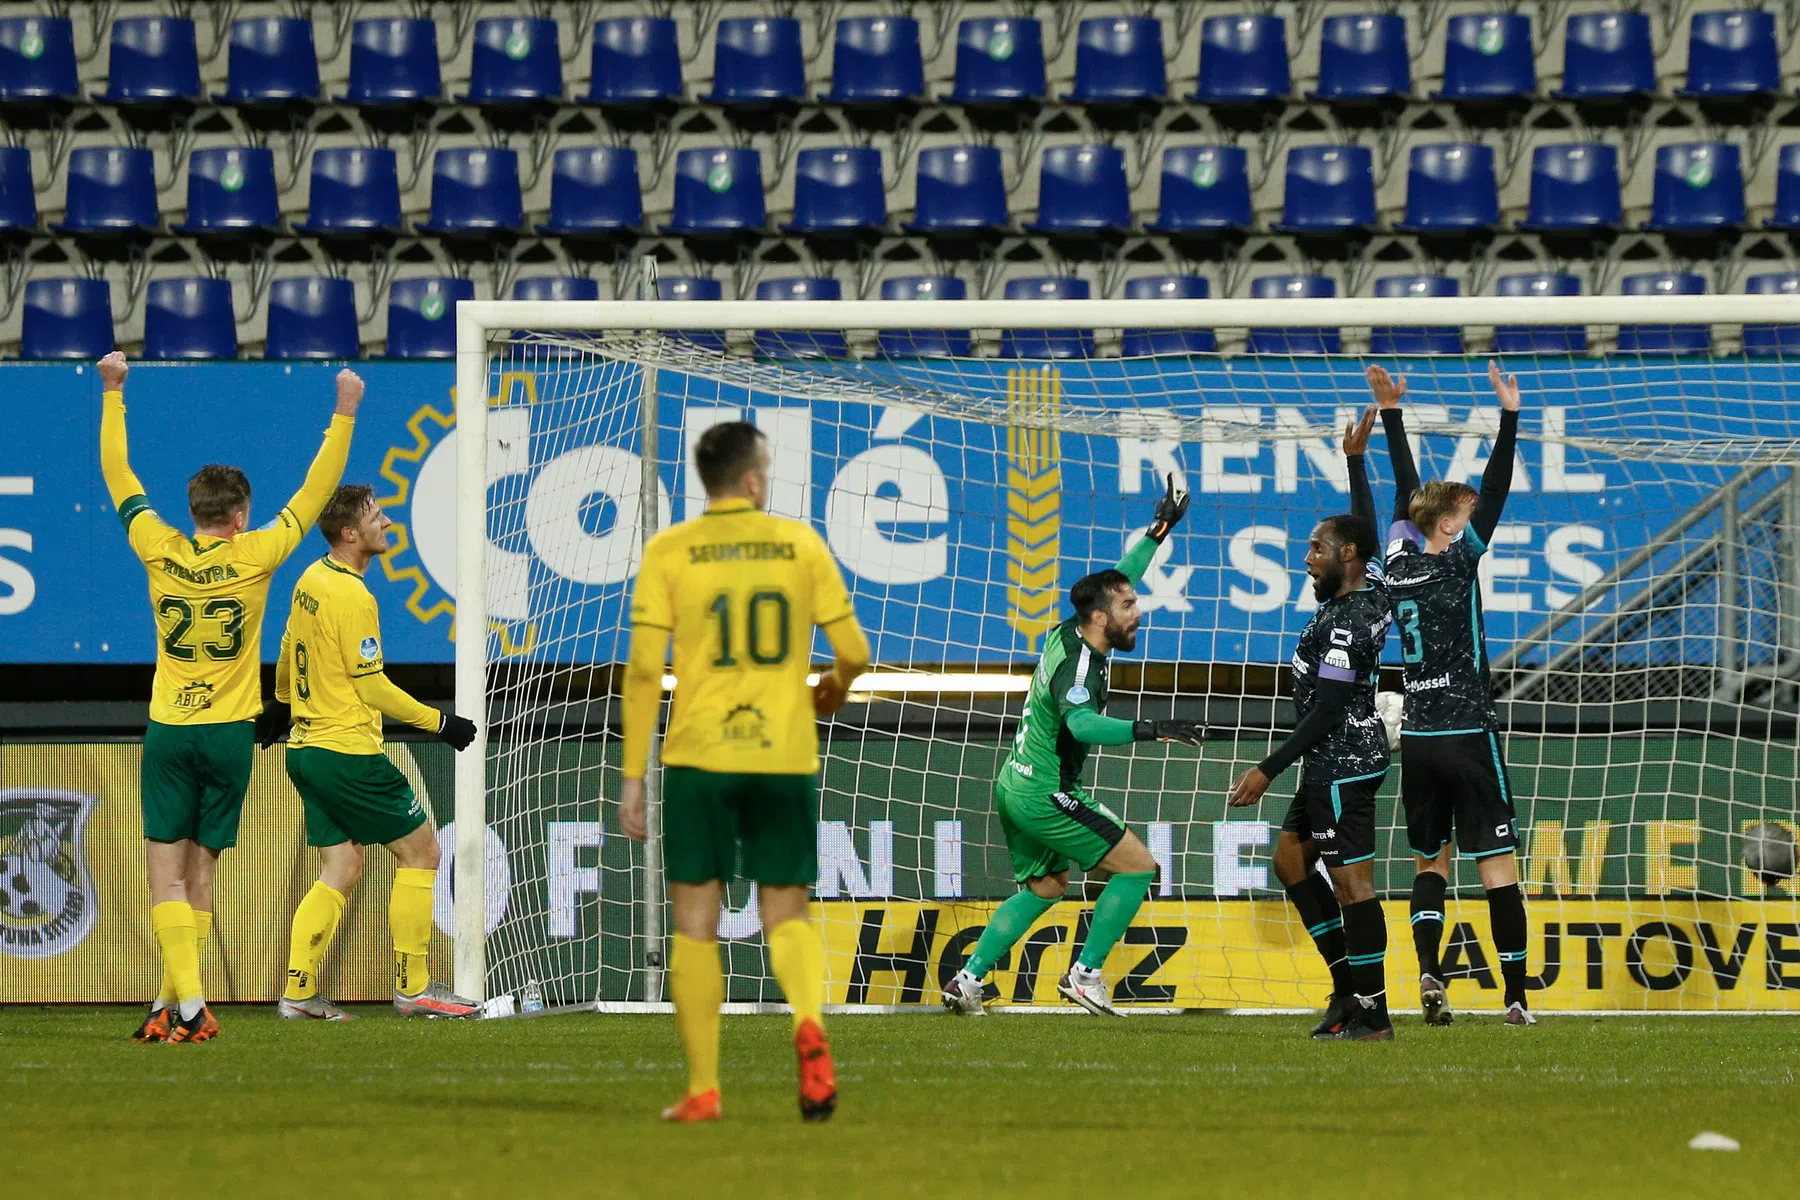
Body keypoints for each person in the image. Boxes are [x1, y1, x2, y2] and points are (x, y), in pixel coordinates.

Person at [99, 352, 358, 1044]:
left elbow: (119, 476)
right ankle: (176, 1005)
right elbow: (316, 491)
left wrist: (113, 393)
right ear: (240, 515)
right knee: (202, 874)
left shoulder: (156, 546)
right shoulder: (257, 553)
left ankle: (184, 1005)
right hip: (231, 734)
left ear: (193, 511)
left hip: (169, 728)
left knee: (164, 876)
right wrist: (344, 412)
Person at [620, 421, 871, 1124]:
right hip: (782, 753)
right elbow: (855, 650)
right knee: (786, 915)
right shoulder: (799, 544)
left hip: (699, 756)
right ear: (755, 479)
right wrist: (833, 689)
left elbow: (642, 671)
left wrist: (633, 777)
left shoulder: (670, 550)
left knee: (695, 925)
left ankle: (704, 1088)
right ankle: (807, 1025)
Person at [942, 476, 1204, 1018]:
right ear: (1103, 618)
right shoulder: (1081, 667)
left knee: (1045, 887)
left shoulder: (1072, 629)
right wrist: (1149, 729)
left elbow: (1121, 576)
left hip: (1015, 782)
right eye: (1129, 606)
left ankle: (968, 981)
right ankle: (1085, 976)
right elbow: (1081, 725)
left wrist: (1159, 529)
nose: (1138, 611)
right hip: (1045, 792)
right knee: (1138, 868)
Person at [263, 485, 480, 1020]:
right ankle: (414, 987)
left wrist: (282, 704)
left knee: (341, 866)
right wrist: (441, 723)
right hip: (347, 753)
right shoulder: (354, 597)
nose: (387, 522)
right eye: (376, 516)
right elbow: (372, 686)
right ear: (350, 534)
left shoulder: (310, 579)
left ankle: (298, 993)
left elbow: (289, 646)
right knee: (423, 853)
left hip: (306, 750)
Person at [1368, 361, 1534, 1027]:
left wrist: (1392, 415)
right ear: (1445, 524)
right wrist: (1510, 417)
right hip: (1467, 730)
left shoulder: (1399, 561)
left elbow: (1406, 495)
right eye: (1461, 514)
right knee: (1498, 869)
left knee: (1428, 865)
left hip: (1418, 736)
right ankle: (1516, 997)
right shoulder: (1459, 558)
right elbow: (1494, 487)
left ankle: (1430, 971)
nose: (1471, 518)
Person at [1228, 408, 1397, 1041]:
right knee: (1291, 864)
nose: (1306, 559)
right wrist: (1355, 462)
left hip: (1341, 762)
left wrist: (1266, 769)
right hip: (1332, 759)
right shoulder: (1370, 586)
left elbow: (1326, 709)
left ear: (1344, 557)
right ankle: (1347, 988)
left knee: (1354, 887)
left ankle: (1373, 1013)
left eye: (1316, 549)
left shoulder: (1347, 623)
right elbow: (1367, 532)